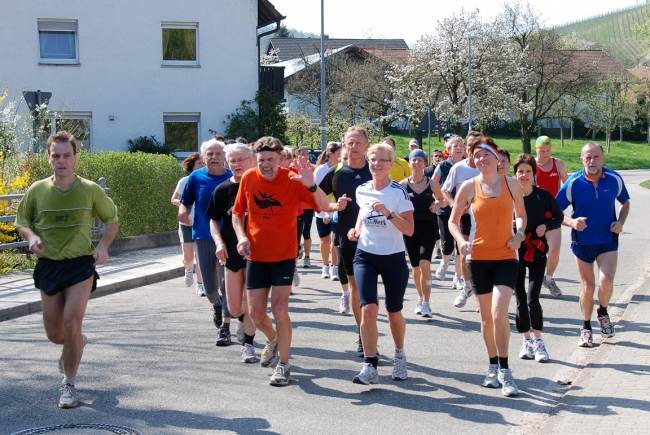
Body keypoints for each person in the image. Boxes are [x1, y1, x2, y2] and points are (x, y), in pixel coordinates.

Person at [16, 131, 119, 409]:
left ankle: (68, 385)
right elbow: (22, 220)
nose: (61, 161)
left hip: (79, 266)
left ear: (75, 158)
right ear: (49, 159)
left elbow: (112, 219)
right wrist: (31, 237)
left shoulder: (89, 189)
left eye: (66, 156)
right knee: (55, 334)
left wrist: (103, 247)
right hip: (48, 266)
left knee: (71, 324)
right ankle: (78, 342)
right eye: (56, 156)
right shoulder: (37, 190)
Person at [232, 136, 330, 386]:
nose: (266, 164)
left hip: (284, 255)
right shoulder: (249, 178)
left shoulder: (293, 179)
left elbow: (323, 207)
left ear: (280, 159)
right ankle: (273, 339)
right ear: (256, 159)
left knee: (279, 308)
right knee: (254, 314)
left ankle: (284, 365)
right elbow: (237, 213)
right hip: (256, 255)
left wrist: (311, 186)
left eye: (271, 160)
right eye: (262, 160)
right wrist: (241, 237)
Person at [449, 136, 526, 397]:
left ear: (496, 158)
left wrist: (520, 235)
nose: (481, 160)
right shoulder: (469, 187)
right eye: (477, 156)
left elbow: (522, 216)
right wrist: (460, 240)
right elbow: (452, 221)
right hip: (478, 258)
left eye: (486, 155)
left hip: (506, 256)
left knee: (498, 313)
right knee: (485, 318)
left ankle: (506, 370)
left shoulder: (512, 184)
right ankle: (492, 365)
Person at [347, 143, 414, 384]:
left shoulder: (398, 192)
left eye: (382, 160)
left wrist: (389, 213)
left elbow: (410, 229)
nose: (377, 164)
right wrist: (356, 230)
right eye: (373, 160)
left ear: (391, 163)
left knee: (393, 312)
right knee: (368, 309)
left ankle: (399, 356)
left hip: (393, 257)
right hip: (365, 255)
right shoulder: (362, 189)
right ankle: (370, 364)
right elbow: (362, 215)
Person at [555, 142, 630, 348]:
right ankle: (586, 328)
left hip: (607, 240)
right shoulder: (573, 182)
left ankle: (603, 312)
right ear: (581, 160)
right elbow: (555, 211)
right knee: (588, 288)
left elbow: (625, 202)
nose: (592, 161)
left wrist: (621, 222)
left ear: (603, 158)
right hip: (583, 242)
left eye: (596, 157)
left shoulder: (614, 179)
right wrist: (571, 222)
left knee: (606, 282)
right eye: (588, 157)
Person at [319, 127, 373, 356]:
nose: (354, 147)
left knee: (371, 292)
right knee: (356, 288)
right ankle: (363, 336)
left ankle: (370, 331)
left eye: (359, 142)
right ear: (344, 144)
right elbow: (318, 198)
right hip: (348, 239)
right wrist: (333, 207)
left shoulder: (377, 169)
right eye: (350, 143)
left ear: (367, 145)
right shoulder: (337, 171)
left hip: (377, 240)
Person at [179, 139, 233, 346]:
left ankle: (225, 328)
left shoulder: (233, 178)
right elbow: (185, 202)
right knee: (210, 287)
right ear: (203, 157)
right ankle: (217, 305)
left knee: (226, 283)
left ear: (224, 157)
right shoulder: (195, 177)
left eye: (218, 154)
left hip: (228, 238)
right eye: (209, 154)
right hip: (203, 235)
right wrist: (183, 213)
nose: (214, 157)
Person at [207, 143, 258, 363]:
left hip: (257, 253)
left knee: (251, 301)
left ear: (250, 160)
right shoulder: (223, 189)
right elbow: (213, 220)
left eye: (241, 160)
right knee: (236, 306)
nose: (237, 164)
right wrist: (218, 243)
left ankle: (248, 345)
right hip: (230, 252)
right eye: (233, 161)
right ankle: (241, 318)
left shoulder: (260, 186)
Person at [513, 154, 564, 362]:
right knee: (520, 299)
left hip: (537, 251)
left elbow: (559, 217)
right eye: (520, 172)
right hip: (515, 252)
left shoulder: (542, 196)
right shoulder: (509, 197)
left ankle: (538, 340)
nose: (524, 175)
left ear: (534, 174)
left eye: (528, 171)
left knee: (533, 298)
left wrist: (546, 226)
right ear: (514, 174)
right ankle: (526, 341)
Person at [400, 149, 442, 318]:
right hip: (409, 228)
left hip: (428, 227)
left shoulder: (432, 184)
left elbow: (442, 200)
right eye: (413, 160)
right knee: (415, 267)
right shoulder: (402, 185)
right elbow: (396, 204)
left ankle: (426, 303)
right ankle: (419, 297)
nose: (416, 163)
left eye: (419, 160)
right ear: (409, 163)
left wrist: (437, 204)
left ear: (425, 163)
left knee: (425, 264)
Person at [534, 136, 569, 297]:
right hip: (536, 215)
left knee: (554, 251)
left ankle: (549, 278)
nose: (545, 154)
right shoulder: (532, 165)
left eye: (548, 151)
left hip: (553, 215)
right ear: (536, 149)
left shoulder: (558, 163)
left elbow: (567, 186)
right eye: (542, 151)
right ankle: (533, 283)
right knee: (535, 252)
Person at [432, 136, 464, 291]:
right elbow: (433, 184)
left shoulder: (467, 165)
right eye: (455, 146)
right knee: (447, 246)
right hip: (445, 211)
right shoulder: (443, 165)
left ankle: (457, 277)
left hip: (464, 211)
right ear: (449, 150)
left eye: (461, 146)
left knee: (461, 246)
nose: (458, 148)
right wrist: (439, 198)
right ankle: (444, 263)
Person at [171, 153, 205, 296]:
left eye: (204, 163)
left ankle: (200, 285)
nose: (202, 166)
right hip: (187, 222)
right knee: (189, 257)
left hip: (202, 222)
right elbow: (174, 199)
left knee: (201, 256)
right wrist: (186, 204)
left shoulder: (207, 180)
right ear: (191, 167)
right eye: (199, 163)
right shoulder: (185, 181)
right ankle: (188, 268)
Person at [313, 142, 343, 283]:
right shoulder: (320, 170)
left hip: (337, 212)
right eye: (339, 154)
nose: (341, 156)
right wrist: (325, 210)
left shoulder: (342, 169)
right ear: (331, 154)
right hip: (322, 211)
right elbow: (316, 193)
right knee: (324, 240)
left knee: (334, 240)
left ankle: (333, 267)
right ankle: (325, 266)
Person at [292, 146, 316, 269]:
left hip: (308, 206)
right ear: (296, 156)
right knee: (294, 235)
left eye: (306, 154)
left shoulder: (313, 168)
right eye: (301, 154)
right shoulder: (291, 168)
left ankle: (307, 257)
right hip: (295, 207)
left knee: (306, 233)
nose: (305, 157)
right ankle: (294, 261)